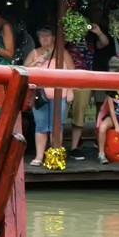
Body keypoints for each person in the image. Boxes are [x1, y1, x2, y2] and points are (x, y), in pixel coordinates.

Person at [68, 3, 114, 160]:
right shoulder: (69, 37)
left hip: (94, 75)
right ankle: (71, 145)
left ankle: (94, 140)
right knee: (72, 111)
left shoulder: (93, 36)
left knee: (98, 107)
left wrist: (97, 31)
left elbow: (105, 44)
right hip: (72, 76)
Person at [25, 27, 74, 166]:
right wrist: (37, 61)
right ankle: (39, 156)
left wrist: (70, 91)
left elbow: (72, 73)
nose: (44, 40)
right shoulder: (34, 53)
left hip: (60, 94)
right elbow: (24, 71)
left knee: (56, 126)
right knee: (40, 125)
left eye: (47, 36)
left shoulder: (63, 53)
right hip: (40, 95)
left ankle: (55, 155)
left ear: (53, 38)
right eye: (41, 37)